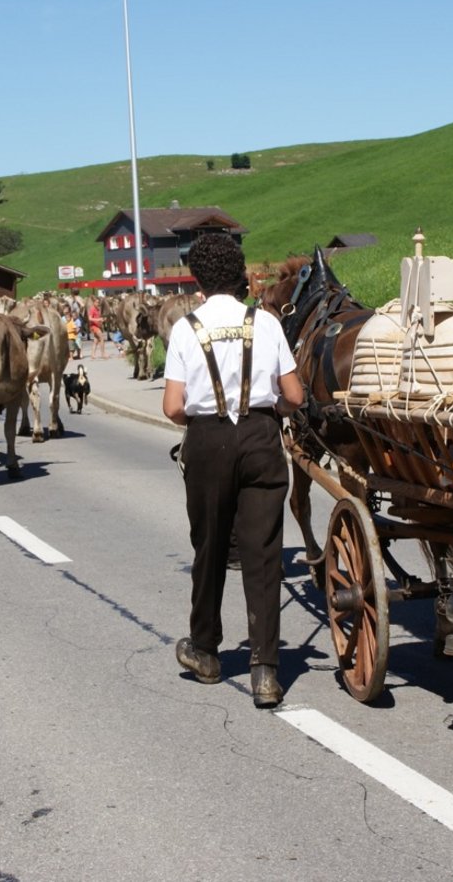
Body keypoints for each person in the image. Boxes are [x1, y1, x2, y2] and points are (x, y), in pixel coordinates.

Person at [162, 233, 304, 708]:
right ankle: (265, 671)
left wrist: (201, 421)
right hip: (261, 437)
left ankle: (205, 650)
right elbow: (296, 397)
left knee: (209, 547)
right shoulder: (264, 323)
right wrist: (271, 409)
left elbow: (172, 407)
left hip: (207, 440)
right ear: (240, 274)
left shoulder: (186, 328)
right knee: (263, 553)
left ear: (199, 279)